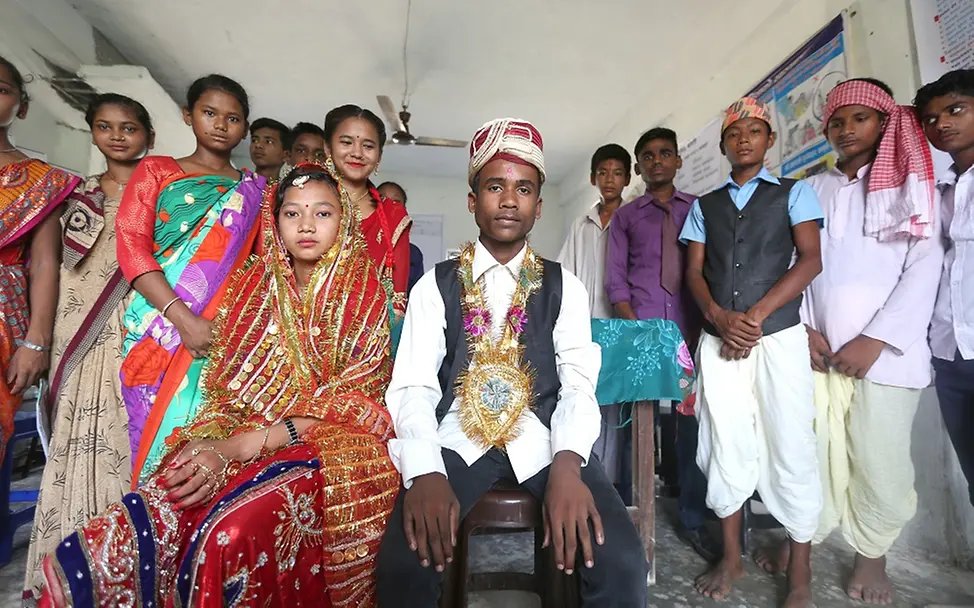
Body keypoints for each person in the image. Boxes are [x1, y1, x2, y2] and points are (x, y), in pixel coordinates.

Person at [40, 161, 400, 607]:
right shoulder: (253, 288)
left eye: (322, 213)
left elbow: (353, 402)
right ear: (275, 220)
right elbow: (227, 393)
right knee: (133, 521)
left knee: (226, 535)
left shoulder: (366, 290)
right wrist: (208, 443)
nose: (306, 225)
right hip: (243, 434)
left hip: (330, 444)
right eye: (292, 213)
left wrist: (243, 446)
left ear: (343, 219)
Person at [377, 118, 649, 607]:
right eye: (494, 186)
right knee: (404, 562)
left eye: (523, 189)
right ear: (471, 200)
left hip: (545, 438)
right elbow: (414, 385)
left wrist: (568, 465)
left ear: (538, 206)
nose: (508, 200)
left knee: (622, 562)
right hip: (457, 439)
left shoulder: (563, 286)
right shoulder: (435, 285)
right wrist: (425, 470)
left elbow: (577, 386)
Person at [752, 78, 942, 606]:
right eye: (836, 121)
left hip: (886, 356)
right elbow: (798, 265)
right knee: (809, 452)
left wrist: (875, 339)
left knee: (879, 460)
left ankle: (871, 557)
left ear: (886, 122)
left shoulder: (913, 184)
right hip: (817, 351)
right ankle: (803, 541)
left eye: (859, 118)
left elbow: (924, 269)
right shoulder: (813, 191)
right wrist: (804, 328)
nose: (845, 129)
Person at [679, 96, 824, 606]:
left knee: (791, 438)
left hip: (778, 336)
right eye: (734, 133)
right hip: (720, 339)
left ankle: (800, 567)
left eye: (755, 131)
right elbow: (694, 274)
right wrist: (719, 318)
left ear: (770, 140)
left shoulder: (795, 193)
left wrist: (756, 316)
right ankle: (732, 556)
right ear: (723, 146)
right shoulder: (704, 206)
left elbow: (810, 261)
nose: (744, 139)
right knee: (725, 439)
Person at [23, 93, 156, 601]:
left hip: (142, 337)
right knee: (76, 445)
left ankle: (127, 566)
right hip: (79, 338)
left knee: (132, 444)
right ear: (92, 132)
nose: (118, 136)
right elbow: (51, 272)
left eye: (129, 127)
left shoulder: (163, 195)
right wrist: (40, 339)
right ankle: (67, 568)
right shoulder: (74, 199)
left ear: (149, 135)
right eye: (105, 126)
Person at [115, 74, 267, 488]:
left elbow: (258, 268)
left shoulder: (254, 191)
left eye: (232, 118)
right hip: (155, 324)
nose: (220, 124)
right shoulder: (156, 171)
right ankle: (149, 523)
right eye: (209, 113)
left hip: (223, 334)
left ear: (245, 128)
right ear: (188, 116)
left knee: (207, 441)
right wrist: (181, 317)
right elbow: (131, 246)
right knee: (150, 434)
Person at [604, 128, 716, 561]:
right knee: (638, 426)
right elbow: (616, 281)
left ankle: (691, 516)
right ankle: (632, 513)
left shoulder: (699, 211)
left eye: (664, 154)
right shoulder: (627, 217)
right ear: (639, 167)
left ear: (677, 161)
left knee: (689, 427)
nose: (656, 161)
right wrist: (636, 332)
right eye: (647, 156)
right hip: (642, 332)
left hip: (691, 331)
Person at [0, 55, 81, 465]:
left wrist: (36, 342)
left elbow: (46, 264)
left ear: (23, 106)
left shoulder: (40, 182)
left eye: (2, 89)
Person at [919, 69, 974, 509]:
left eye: (955, 110)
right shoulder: (941, 191)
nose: (942, 124)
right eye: (932, 118)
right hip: (950, 351)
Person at [324, 105, 411, 321]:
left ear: (379, 156)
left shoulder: (393, 216)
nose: (357, 153)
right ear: (327, 148)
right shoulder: (301, 201)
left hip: (369, 340)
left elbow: (397, 298)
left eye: (368, 146)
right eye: (346, 142)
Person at [378, 180, 424, 292]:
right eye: (382, 199)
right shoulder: (359, 242)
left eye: (395, 202)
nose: (388, 205)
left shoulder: (413, 253)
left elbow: (416, 293)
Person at [249, 117, 290, 181]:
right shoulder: (237, 185)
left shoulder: (289, 190)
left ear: (286, 155)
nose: (258, 145)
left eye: (268, 142)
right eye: (254, 140)